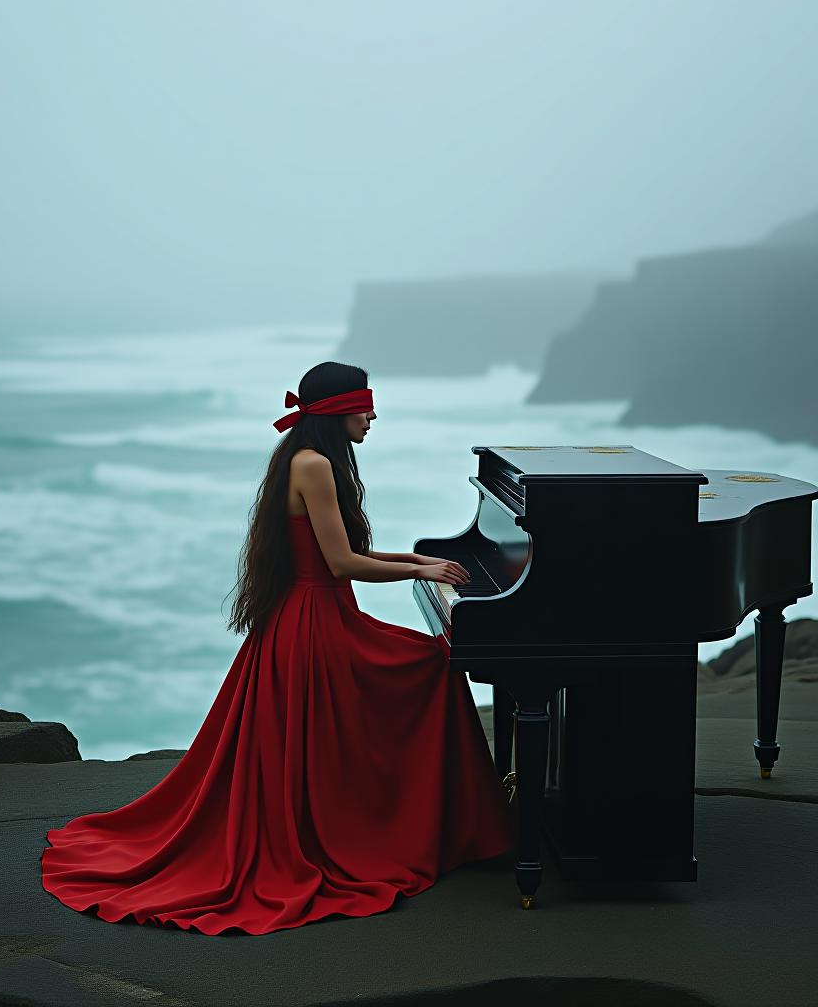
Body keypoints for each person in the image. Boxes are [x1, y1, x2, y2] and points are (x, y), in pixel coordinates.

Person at [40, 361, 514, 936]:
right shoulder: (313, 465)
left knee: (425, 666)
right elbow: (341, 564)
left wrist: (417, 562)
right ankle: (454, 829)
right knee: (432, 665)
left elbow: (336, 557)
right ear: (339, 411)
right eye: (365, 406)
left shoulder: (307, 458)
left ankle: (440, 824)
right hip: (316, 624)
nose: (372, 416)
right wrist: (417, 565)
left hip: (317, 615)